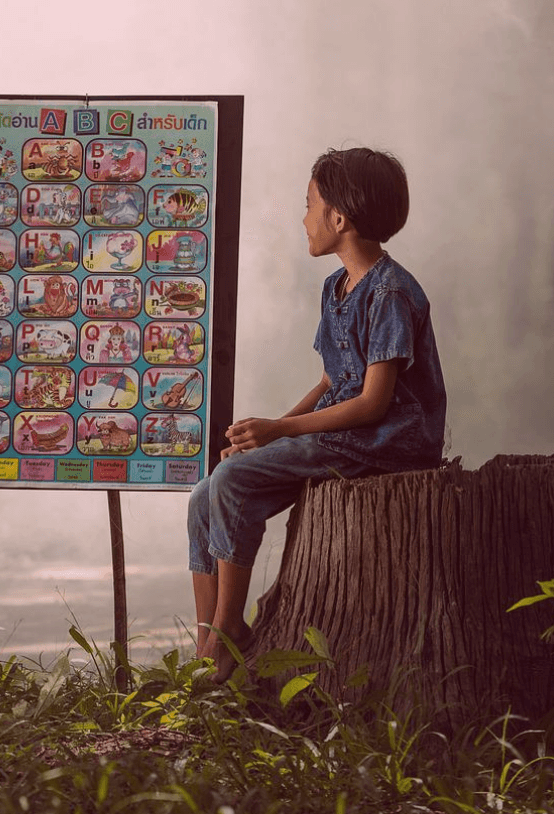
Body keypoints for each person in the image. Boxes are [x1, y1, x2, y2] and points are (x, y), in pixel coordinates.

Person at [187, 147, 446, 680]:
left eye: (309, 205)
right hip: (343, 435)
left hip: (386, 442)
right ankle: (210, 637)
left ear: (339, 218)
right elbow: (333, 378)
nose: (302, 218)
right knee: (205, 489)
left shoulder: (391, 291)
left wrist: (279, 430)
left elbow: (373, 402)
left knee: (233, 479)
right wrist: (263, 433)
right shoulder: (336, 287)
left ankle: (227, 636)